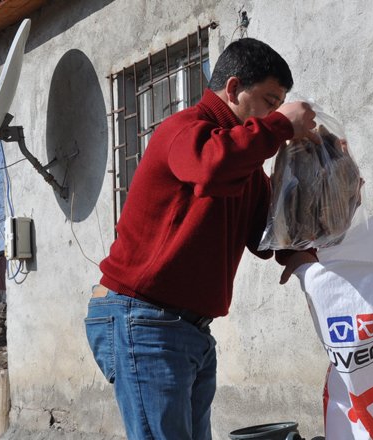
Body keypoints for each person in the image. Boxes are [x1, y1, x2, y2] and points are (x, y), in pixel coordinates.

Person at [84, 38, 319, 439]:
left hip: (187, 329)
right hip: (143, 318)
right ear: (232, 90)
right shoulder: (184, 130)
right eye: (268, 100)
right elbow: (210, 167)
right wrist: (280, 126)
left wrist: (328, 181)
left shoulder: (246, 169)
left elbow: (272, 236)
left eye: (279, 105)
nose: (273, 113)